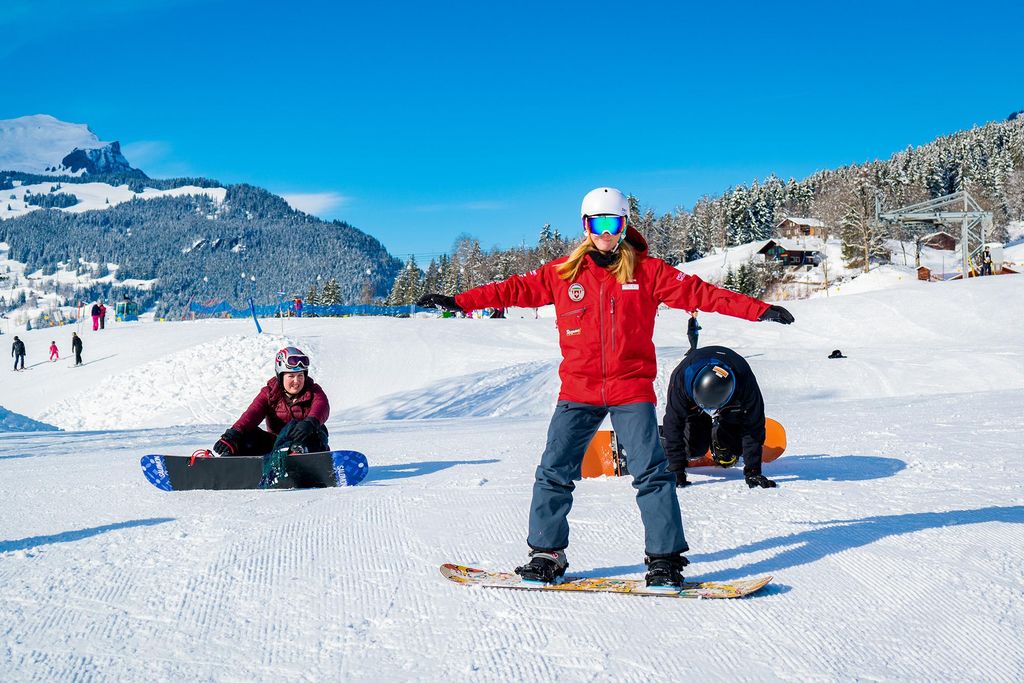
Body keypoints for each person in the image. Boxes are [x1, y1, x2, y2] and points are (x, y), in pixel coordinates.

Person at [415, 187, 795, 591]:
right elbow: (509, 289)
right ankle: (547, 554)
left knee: (653, 472)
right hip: (578, 390)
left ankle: (665, 560)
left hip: (630, 388)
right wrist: (460, 301)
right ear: (585, 227)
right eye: (597, 224)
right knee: (554, 471)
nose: (605, 233)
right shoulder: (562, 273)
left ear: (624, 225)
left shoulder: (648, 272)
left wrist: (760, 309)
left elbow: (703, 293)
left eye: (613, 224)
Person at [663, 345, 778, 490]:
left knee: (737, 447)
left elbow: (753, 426)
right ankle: (659, 437)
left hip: (730, 397)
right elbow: (674, 424)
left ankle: (718, 434)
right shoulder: (681, 381)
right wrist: (676, 469)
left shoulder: (746, 384)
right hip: (694, 383)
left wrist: (753, 471)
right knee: (693, 449)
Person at [212, 346, 331, 457]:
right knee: (248, 434)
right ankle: (231, 462)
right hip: (277, 445)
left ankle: (300, 456)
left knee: (316, 429)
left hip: (307, 444)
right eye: (291, 376)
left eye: (300, 375)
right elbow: (252, 414)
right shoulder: (270, 393)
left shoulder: (313, 390)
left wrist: (310, 423)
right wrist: (233, 434)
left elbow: (321, 406)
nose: (297, 381)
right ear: (280, 376)